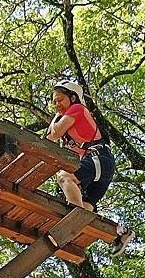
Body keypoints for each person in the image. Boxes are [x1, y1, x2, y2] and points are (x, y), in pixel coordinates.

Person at [46, 79, 134, 256]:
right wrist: (57, 115)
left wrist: (56, 116)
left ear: (72, 98)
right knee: (86, 207)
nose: (57, 105)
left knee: (65, 177)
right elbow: (49, 139)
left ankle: (74, 219)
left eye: (60, 100)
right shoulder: (71, 121)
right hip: (102, 165)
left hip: (98, 158)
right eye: (54, 102)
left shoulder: (77, 109)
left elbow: (53, 134)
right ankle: (119, 233)